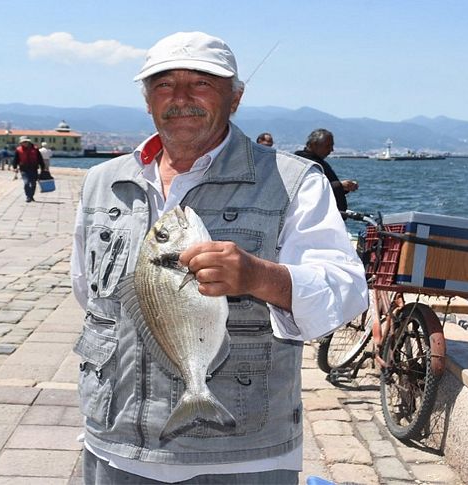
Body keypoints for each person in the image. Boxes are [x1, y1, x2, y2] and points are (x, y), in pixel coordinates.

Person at [70, 31, 367, 484]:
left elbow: (344, 293)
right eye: (165, 84)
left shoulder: (294, 179)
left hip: (243, 453)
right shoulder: (102, 181)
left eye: (202, 84)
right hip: (115, 445)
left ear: (236, 98)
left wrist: (259, 276)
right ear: (147, 100)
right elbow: (86, 292)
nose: (182, 98)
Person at [294, 129, 359, 214]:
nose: (331, 150)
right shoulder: (306, 163)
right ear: (313, 145)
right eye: (328, 146)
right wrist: (340, 186)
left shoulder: (316, 161)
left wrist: (344, 188)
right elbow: (311, 190)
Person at [12, 135, 45, 202]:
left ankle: (31, 196)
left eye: (26, 142)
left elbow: (40, 159)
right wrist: (15, 167)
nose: (25, 143)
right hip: (24, 169)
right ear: (21, 143)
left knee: (33, 183)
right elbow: (15, 159)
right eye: (23, 142)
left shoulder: (35, 149)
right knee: (26, 183)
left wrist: (43, 167)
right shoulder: (18, 150)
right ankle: (28, 196)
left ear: (29, 142)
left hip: (33, 168)